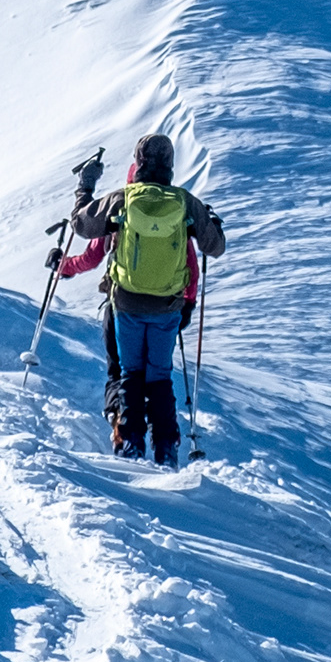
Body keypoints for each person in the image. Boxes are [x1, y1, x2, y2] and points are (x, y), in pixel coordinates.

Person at [57, 132, 225, 464]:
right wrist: (213, 224)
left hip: (127, 303)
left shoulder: (123, 199)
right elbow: (214, 248)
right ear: (170, 165)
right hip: (167, 308)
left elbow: (81, 225)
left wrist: (84, 187)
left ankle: (128, 442)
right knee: (160, 375)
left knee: (130, 373)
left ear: (139, 162)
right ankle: (166, 448)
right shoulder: (184, 202)